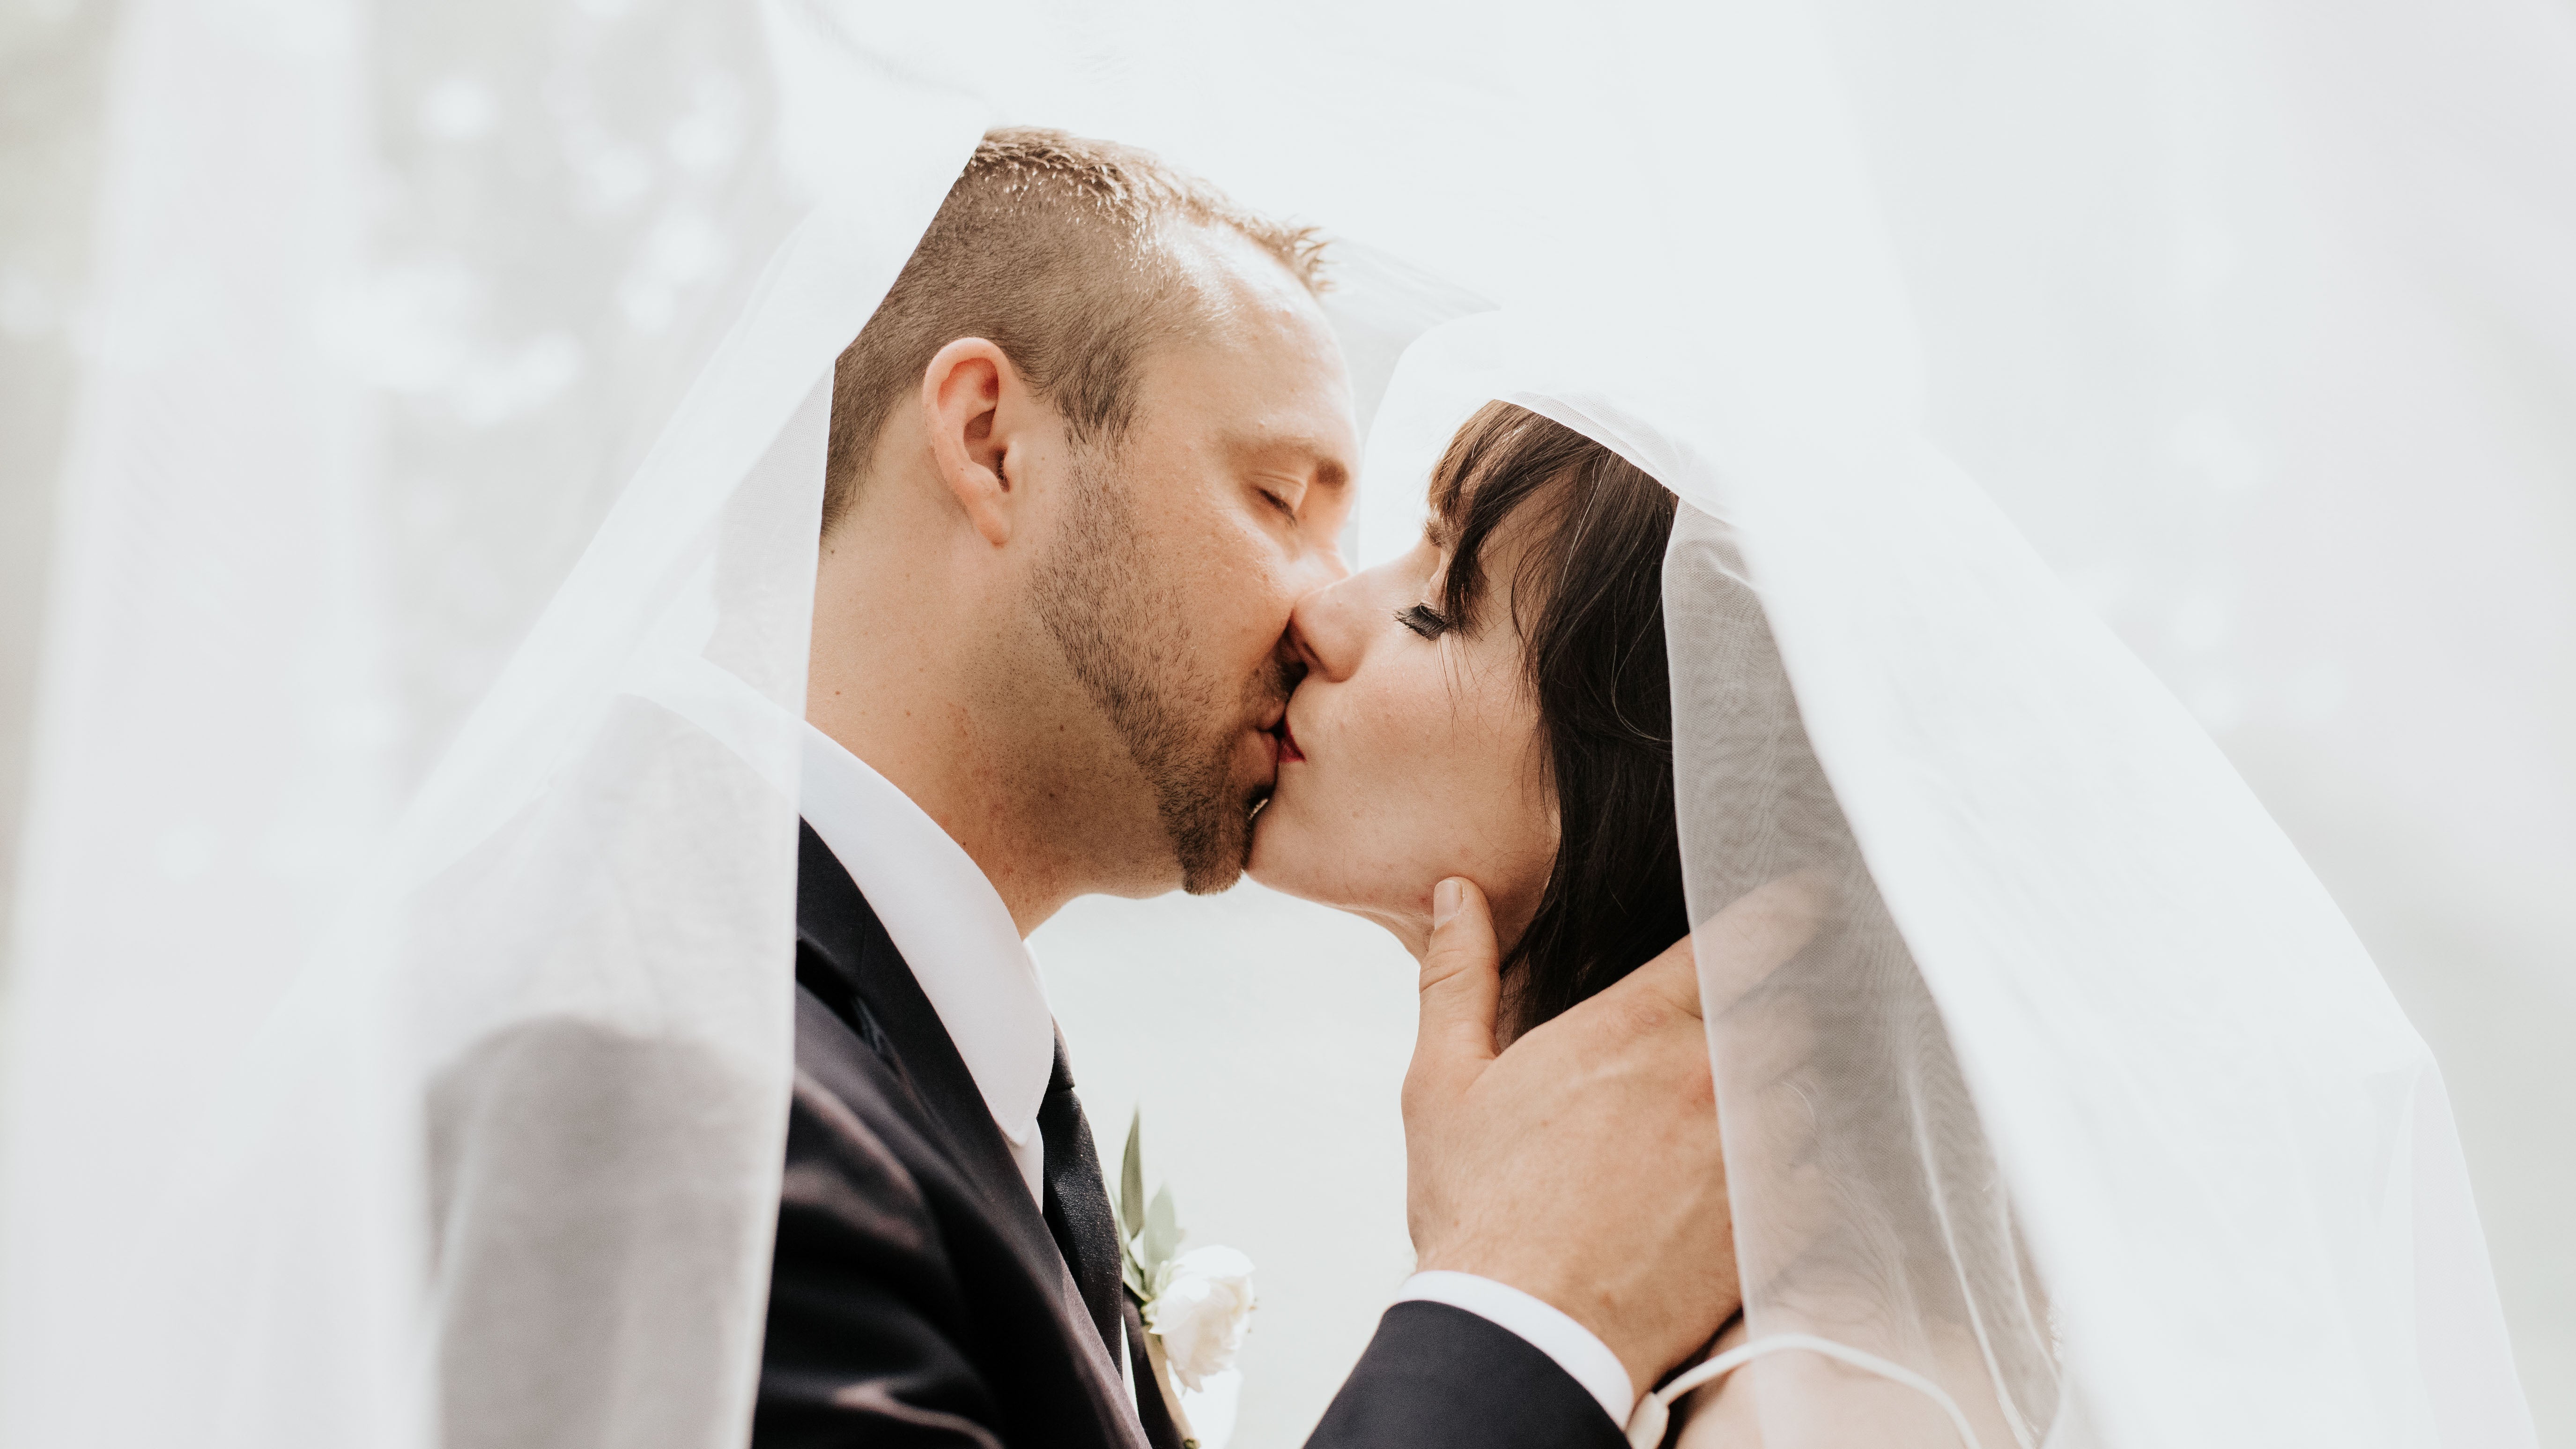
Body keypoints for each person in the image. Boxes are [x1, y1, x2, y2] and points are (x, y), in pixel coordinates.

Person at [757, 129, 1792, 1449]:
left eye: (1438, 601)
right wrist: (1521, 1311)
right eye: (1278, 496)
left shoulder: (922, 1072)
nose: (1323, 606)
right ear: (992, 442)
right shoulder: (713, 1080)